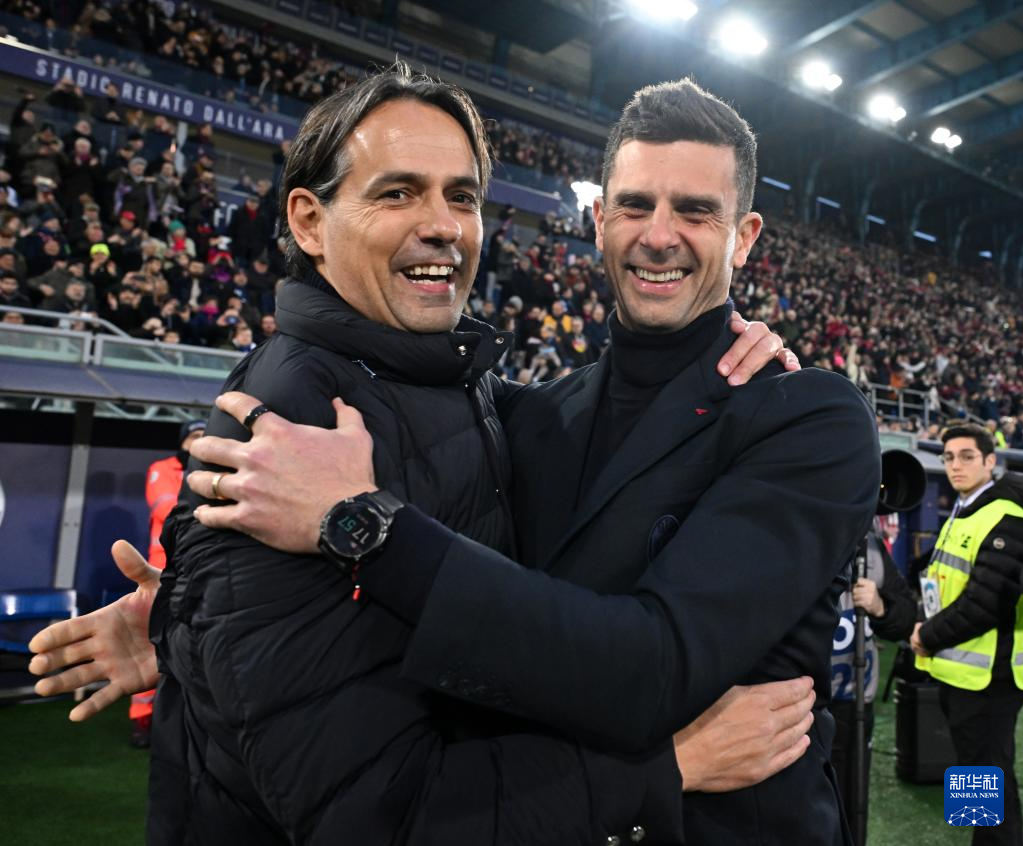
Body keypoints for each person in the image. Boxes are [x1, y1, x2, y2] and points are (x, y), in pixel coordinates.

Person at [31, 69, 808, 846]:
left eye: (461, 196)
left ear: (743, 236)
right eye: (398, 192)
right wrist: (663, 771)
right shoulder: (292, 425)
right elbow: (380, 819)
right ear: (309, 221)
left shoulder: (456, 386)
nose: (443, 226)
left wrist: (186, 622)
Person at [912, 423, 1023, 846]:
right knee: (977, 779)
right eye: (948, 458)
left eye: (966, 457)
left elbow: (984, 604)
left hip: (989, 680)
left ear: (990, 461)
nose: (955, 465)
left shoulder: (1006, 516)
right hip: (961, 674)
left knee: (990, 779)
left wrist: (926, 635)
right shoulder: (966, 510)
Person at [829, 523, 916, 845]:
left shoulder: (870, 548)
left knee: (850, 804)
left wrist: (880, 607)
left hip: (852, 702)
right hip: (797, 701)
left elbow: (906, 614)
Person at [128, 419, 207, 748]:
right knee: (152, 642)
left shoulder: (214, 469)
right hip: (160, 573)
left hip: (201, 570)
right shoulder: (162, 469)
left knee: (196, 644)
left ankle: (188, 720)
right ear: (182, 441)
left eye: (204, 435)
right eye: (193, 436)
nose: (198, 441)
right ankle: (141, 718)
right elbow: (168, 510)